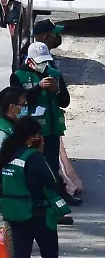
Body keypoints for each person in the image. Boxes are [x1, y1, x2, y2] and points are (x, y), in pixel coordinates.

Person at [0, 116, 71, 258]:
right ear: (31, 137)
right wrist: (40, 152)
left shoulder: (6, 156)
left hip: (14, 212)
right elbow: (52, 180)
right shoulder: (33, 157)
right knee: (49, 256)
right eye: (37, 134)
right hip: (38, 212)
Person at [12, 41, 71, 202]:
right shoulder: (18, 76)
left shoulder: (53, 72)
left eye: (46, 61)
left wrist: (56, 90)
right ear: (30, 61)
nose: (43, 65)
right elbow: (20, 101)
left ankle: (58, 195)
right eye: (40, 62)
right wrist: (38, 87)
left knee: (53, 166)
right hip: (31, 131)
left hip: (52, 128)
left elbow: (65, 101)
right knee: (34, 165)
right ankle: (38, 197)